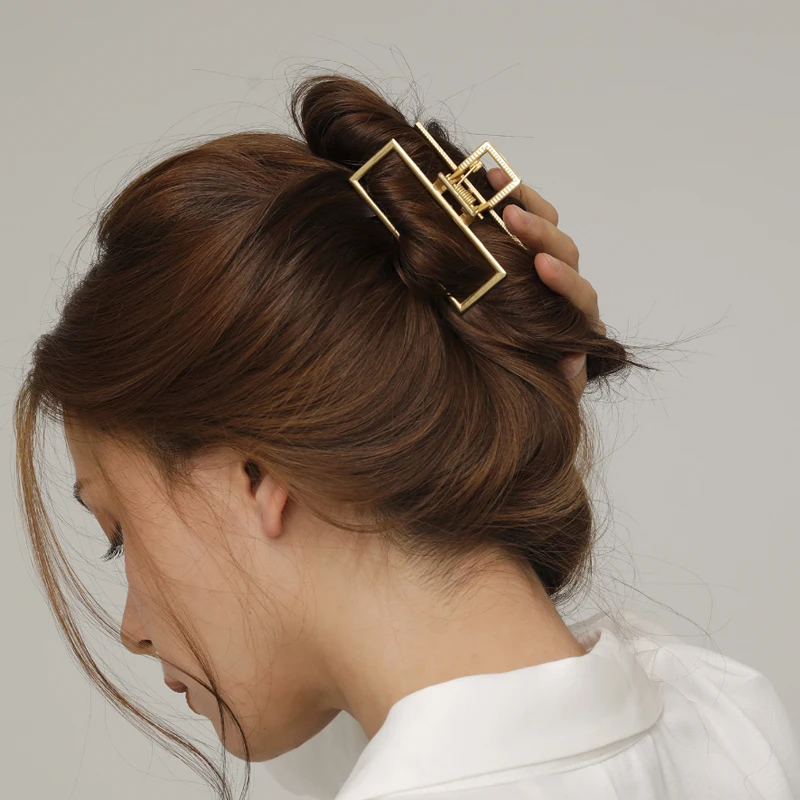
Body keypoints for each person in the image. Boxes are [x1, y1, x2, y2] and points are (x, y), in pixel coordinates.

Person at [14, 73, 800, 800]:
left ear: (256, 475)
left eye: (120, 535)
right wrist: (504, 402)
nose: (133, 630)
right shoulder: (727, 716)